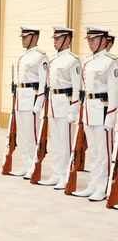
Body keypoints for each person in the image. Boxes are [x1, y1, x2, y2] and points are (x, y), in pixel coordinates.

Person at [72, 27, 118, 201]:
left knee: (104, 152)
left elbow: (114, 92)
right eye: (89, 40)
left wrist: (111, 117)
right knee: (94, 152)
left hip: (103, 111)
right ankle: (93, 184)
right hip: (90, 110)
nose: (90, 43)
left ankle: (104, 188)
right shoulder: (88, 62)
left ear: (104, 41)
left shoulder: (111, 62)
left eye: (93, 40)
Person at [37, 27, 81, 189]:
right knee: (55, 141)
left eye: (58, 38)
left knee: (65, 143)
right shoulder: (54, 60)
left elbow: (78, 88)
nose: (54, 41)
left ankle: (66, 176)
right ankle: (57, 173)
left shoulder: (73, 60)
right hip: (54, 105)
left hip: (65, 105)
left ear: (67, 40)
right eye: (54, 38)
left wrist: (73, 110)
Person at [9, 27, 48, 179]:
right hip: (21, 98)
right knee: (23, 136)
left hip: (31, 99)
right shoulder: (23, 56)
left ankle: (33, 166)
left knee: (31, 136)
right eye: (22, 37)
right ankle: (25, 165)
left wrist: (39, 102)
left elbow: (43, 82)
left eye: (25, 37)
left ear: (34, 37)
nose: (22, 40)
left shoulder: (40, 57)